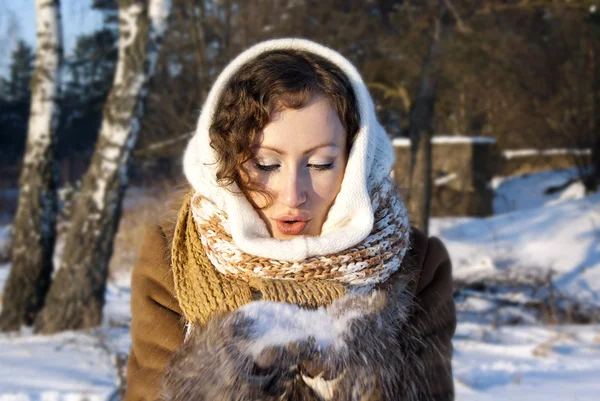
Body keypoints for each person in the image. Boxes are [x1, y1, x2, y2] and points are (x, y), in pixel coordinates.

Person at [125, 38, 456, 401]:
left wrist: (362, 378)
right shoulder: (174, 257)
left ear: (358, 161)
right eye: (266, 164)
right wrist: (218, 379)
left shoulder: (417, 264)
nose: (293, 194)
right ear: (225, 161)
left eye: (320, 164)